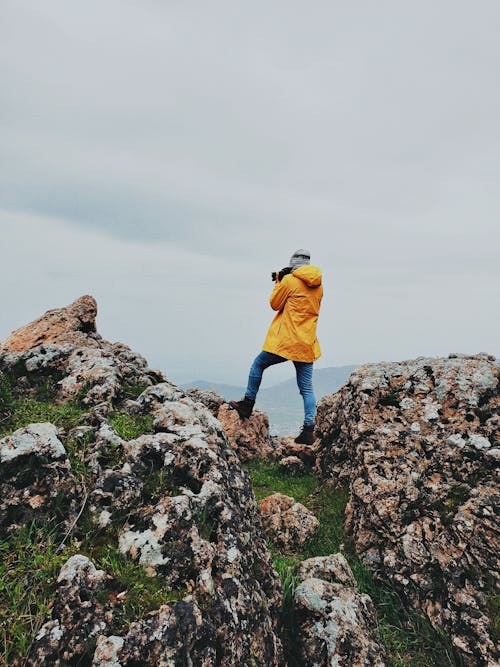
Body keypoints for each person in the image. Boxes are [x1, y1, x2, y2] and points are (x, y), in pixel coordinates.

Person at [229, 249, 323, 445]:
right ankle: (308, 430)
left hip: (286, 340)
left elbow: (274, 304)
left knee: (258, 364)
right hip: (306, 342)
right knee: (306, 388)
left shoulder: (288, 281)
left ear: (293, 264)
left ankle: (247, 404)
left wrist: (279, 281)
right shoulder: (319, 285)